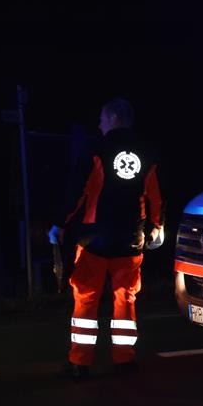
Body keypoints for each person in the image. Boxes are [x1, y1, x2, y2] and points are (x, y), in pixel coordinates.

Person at [49, 98, 164, 380]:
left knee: (86, 297)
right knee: (125, 298)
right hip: (131, 239)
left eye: (102, 119)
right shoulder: (147, 151)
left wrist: (61, 223)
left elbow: (78, 190)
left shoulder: (96, 149)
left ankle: (80, 363)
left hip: (95, 239)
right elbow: (155, 195)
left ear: (113, 118)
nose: (99, 124)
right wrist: (157, 226)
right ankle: (124, 360)